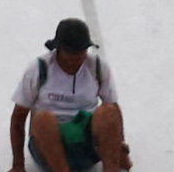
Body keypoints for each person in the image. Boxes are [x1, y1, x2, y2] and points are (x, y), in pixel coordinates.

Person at [9, 18, 130, 172]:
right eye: (70, 55)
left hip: (88, 145)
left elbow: (114, 114)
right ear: (58, 49)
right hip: (49, 146)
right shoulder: (39, 69)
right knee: (43, 119)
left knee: (109, 111)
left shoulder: (98, 67)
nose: (75, 60)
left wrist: (121, 148)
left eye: (81, 54)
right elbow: (18, 117)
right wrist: (18, 165)